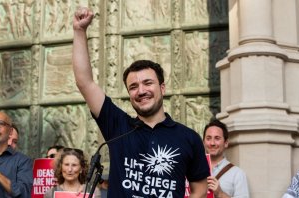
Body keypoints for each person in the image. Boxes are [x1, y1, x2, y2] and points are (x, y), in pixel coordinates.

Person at [72, 7, 210, 197]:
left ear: (162, 88)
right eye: (134, 87)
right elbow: (84, 82)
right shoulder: (117, 127)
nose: (141, 91)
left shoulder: (189, 138)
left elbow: (200, 188)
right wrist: (79, 31)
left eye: (148, 83)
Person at [203, 119, 249, 198]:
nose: (212, 143)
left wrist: (220, 194)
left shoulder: (237, 174)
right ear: (203, 142)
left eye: (217, 138)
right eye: (208, 138)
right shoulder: (192, 169)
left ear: (226, 143)